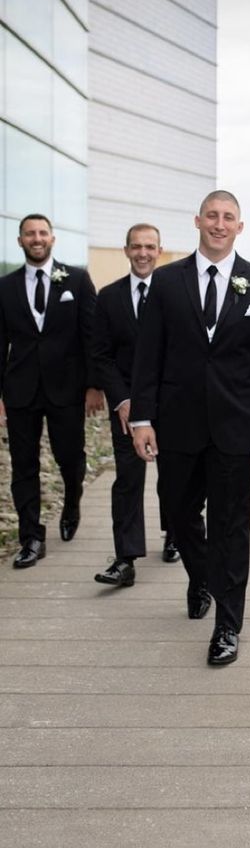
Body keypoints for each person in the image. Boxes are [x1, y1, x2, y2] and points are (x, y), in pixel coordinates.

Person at [129, 191, 250, 664]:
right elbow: (148, 355)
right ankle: (201, 577)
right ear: (197, 221)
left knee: (231, 525)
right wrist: (141, 417)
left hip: (236, 427)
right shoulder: (165, 281)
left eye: (229, 218)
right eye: (212, 216)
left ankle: (228, 623)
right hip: (176, 425)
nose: (219, 224)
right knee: (178, 515)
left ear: (240, 227)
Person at [0, 214, 103, 568]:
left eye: (42, 233)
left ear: (53, 239)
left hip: (68, 389)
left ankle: (72, 500)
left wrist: (94, 386)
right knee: (23, 466)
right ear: (20, 241)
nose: (37, 238)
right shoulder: (5, 287)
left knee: (70, 458)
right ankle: (30, 537)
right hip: (20, 391)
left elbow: (91, 336)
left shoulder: (76, 279)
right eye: (30, 234)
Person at [91, 224, 181, 590]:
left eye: (150, 247)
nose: (143, 253)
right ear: (126, 251)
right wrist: (123, 400)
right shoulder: (108, 297)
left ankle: (175, 534)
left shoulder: (176, 292)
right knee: (127, 480)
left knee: (175, 477)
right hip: (127, 406)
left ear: (159, 251)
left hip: (172, 404)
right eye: (136, 247)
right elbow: (101, 355)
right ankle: (125, 559)